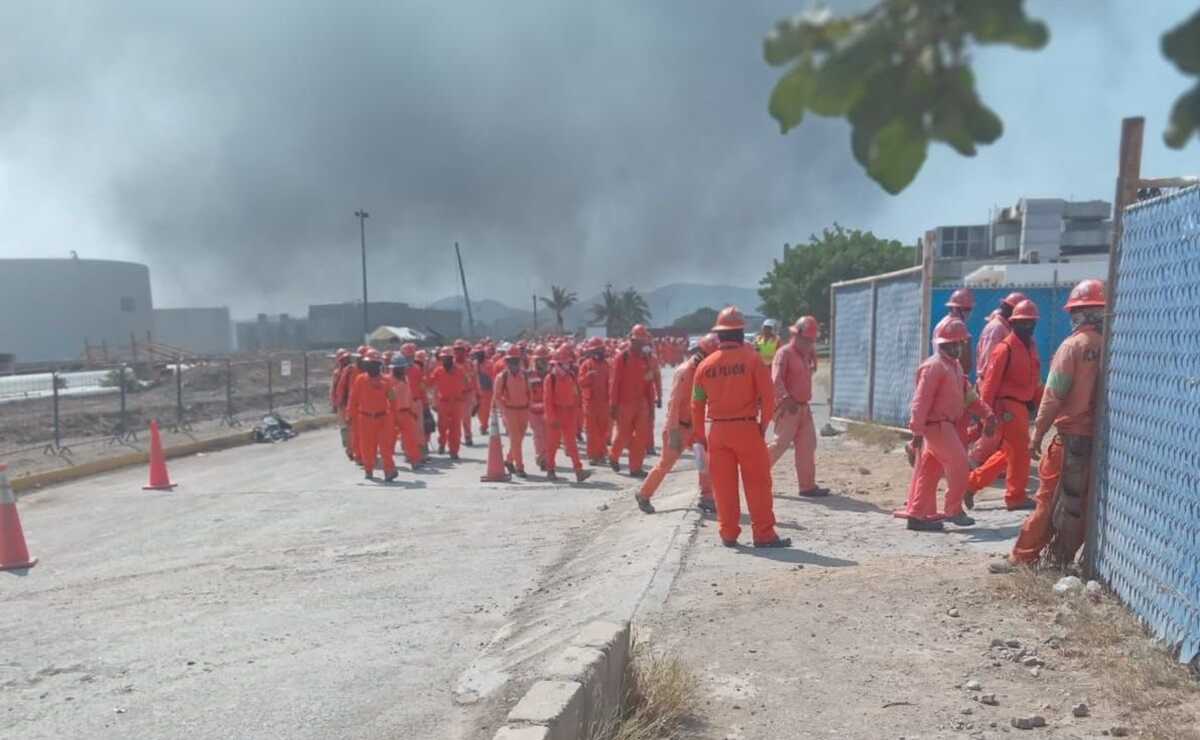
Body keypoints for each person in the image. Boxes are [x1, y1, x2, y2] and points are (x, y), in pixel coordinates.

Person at [997, 280, 1106, 570]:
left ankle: (1023, 557)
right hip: (1099, 439)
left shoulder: (1072, 347)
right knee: (1081, 503)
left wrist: (1038, 435)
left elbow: (1053, 395)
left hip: (1070, 437)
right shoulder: (1111, 347)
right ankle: (1063, 558)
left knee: (1047, 500)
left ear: (1080, 314)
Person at [691, 307, 790, 549]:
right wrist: (762, 426)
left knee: (723, 487)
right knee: (758, 484)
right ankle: (763, 535)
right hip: (746, 429)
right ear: (740, 333)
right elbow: (768, 399)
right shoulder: (753, 360)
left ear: (719, 335)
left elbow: (696, 404)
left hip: (717, 433)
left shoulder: (704, 366)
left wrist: (700, 438)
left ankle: (728, 533)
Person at [901, 319, 995, 530]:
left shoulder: (954, 367)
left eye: (958, 344)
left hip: (943, 426)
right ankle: (953, 510)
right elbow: (920, 400)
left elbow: (969, 397)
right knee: (960, 464)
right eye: (951, 344)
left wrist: (987, 415)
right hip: (937, 426)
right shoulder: (934, 367)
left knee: (929, 472)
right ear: (941, 345)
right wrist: (916, 430)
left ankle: (916, 516)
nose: (956, 348)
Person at [966, 299, 1042, 511]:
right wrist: (986, 415)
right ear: (1013, 322)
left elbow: (1034, 377)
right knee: (1020, 450)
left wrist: (1037, 402)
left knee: (1010, 451)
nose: (1028, 327)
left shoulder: (1031, 347)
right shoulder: (1004, 349)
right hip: (1007, 408)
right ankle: (1015, 496)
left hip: (1021, 406)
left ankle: (971, 483)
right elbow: (990, 384)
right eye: (1023, 323)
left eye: (1031, 323)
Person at [635, 334, 717, 514]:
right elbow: (674, 404)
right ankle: (644, 494)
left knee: (703, 460)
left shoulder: (704, 370)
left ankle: (707, 497)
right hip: (679, 427)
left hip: (694, 426)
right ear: (702, 353)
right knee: (666, 464)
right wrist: (673, 432)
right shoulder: (685, 372)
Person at [768, 316, 830, 497]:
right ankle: (754, 474)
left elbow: (810, 372)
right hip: (788, 408)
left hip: (803, 407)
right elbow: (776, 380)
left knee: (807, 446)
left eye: (811, 341)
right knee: (780, 444)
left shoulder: (807, 355)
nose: (809, 344)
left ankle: (807, 486)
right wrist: (786, 400)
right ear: (796, 336)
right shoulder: (784, 353)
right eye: (806, 340)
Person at [970, 291, 1027, 466]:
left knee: (988, 426)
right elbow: (990, 362)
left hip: (993, 383)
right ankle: (973, 461)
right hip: (990, 382)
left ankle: (983, 461)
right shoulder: (997, 328)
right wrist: (990, 391)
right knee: (992, 427)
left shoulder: (1002, 327)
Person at [609, 324, 655, 478]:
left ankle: (636, 468)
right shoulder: (622, 358)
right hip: (624, 403)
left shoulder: (646, 359)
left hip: (641, 404)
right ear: (631, 340)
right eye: (638, 341)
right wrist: (613, 405)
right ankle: (613, 456)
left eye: (643, 341)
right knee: (623, 434)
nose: (641, 344)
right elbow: (615, 382)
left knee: (641, 436)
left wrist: (651, 404)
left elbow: (649, 382)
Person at [545, 345, 594, 483]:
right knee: (552, 444)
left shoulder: (571, 376)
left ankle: (578, 471)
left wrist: (577, 411)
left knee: (571, 444)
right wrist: (552, 417)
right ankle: (550, 470)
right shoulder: (551, 378)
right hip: (556, 412)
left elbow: (576, 394)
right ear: (558, 363)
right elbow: (547, 400)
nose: (568, 364)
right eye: (565, 362)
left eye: (568, 362)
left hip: (569, 413)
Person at [348, 350, 398, 481]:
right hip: (365, 418)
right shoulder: (360, 380)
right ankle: (368, 469)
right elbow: (353, 400)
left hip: (383, 418)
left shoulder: (387, 381)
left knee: (385, 447)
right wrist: (350, 415)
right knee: (367, 446)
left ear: (379, 365)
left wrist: (395, 418)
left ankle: (389, 471)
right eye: (368, 364)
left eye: (373, 364)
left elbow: (393, 400)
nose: (370, 367)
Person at [494, 346, 531, 478]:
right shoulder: (502, 376)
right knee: (516, 439)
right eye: (510, 360)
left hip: (524, 410)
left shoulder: (525, 375)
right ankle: (520, 467)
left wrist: (529, 408)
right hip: (510, 411)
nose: (513, 363)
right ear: (507, 362)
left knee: (518, 440)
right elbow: (497, 396)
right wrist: (504, 410)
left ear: (519, 361)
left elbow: (530, 393)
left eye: (515, 360)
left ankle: (509, 460)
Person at [579, 338, 612, 465]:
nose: (599, 352)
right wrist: (588, 376)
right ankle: (593, 455)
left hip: (604, 402)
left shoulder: (607, 365)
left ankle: (602, 454)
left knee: (603, 430)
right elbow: (580, 382)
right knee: (592, 431)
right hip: (591, 403)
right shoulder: (586, 365)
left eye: (601, 349)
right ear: (591, 351)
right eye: (596, 350)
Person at [430, 348, 469, 460]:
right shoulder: (438, 371)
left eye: (447, 358)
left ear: (452, 358)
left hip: (457, 403)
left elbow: (467, 384)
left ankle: (453, 451)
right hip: (443, 403)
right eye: (443, 358)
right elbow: (430, 383)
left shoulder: (460, 370)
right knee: (442, 427)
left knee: (455, 429)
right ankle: (442, 444)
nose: (445, 360)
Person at [387, 355, 424, 470]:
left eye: (402, 368)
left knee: (410, 438)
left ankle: (415, 460)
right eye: (398, 368)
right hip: (392, 413)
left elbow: (409, 396)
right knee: (388, 439)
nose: (401, 370)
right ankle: (387, 462)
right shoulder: (388, 380)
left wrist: (412, 410)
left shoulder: (406, 379)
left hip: (406, 412)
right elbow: (388, 397)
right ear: (393, 369)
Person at [528, 346, 550, 469]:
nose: (542, 363)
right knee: (539, 434)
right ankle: (541, 457)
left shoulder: (551, 374)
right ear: (535, 361)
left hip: (548, 409)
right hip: (533, 410)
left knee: (548, 435)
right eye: (540, 360)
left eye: (544, 360)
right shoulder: (529, 375)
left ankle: (546, 457)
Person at [473, 344, 495, 437]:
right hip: (477, 390)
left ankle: (484, 426)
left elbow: (493, 377)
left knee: (485, 409)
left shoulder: (489, 363)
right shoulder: (473, 364)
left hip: (487, 390)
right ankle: (483, 424)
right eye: (477, 353)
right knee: (479, 410)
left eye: (480, 353)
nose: (478, 355)